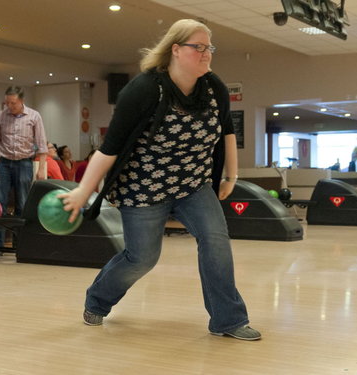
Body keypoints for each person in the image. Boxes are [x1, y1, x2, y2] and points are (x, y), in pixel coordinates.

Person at [60, 19, 261, 341]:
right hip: (143, 186)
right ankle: (97, 300)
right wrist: (83, 190)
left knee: (216, 241)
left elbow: (227, 131)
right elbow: (110, 148)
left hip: (194, 184)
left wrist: (231, 175)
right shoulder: (144, 90)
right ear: (176, 50)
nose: (207, 53)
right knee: (142, 258)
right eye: (199, 47)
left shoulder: (213, 88)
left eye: (210, 47)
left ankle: (229, 320)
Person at [0, 86, 47, 246]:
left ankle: (21, 242)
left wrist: (41, 169)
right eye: (7, 102)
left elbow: (42, 145)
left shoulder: (34, 116)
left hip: (24, 163)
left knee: (23, 202)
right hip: (4, 163)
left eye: (13, 103)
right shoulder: (0, 116)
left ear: (21, 101)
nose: (10, 106)